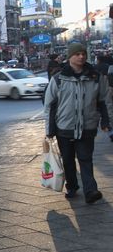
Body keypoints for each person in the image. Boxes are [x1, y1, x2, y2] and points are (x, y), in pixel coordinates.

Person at [44, 42, 109, 204]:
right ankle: (72, 186)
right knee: (67, 159)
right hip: (64, 128)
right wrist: (49, 130)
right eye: (77, 54)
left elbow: (104, 101)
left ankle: (90, 190)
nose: (81, 56)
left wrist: (107, 121)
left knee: (85, 158)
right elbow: (50, 106)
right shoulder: (58, 78)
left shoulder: (95, 77)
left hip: (87, 126)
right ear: (70, 57)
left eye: (83, 54)